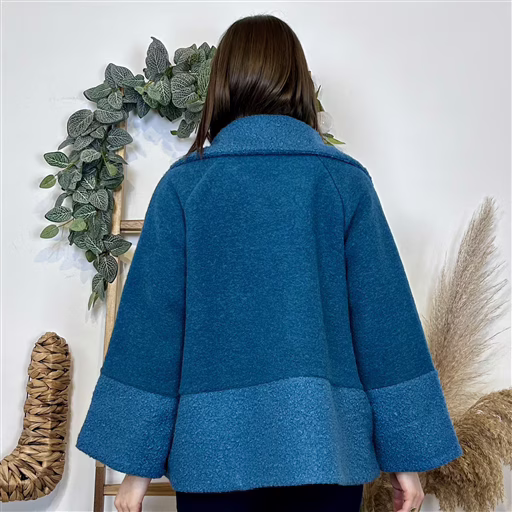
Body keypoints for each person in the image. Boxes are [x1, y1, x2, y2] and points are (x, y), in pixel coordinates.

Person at [76, 13, 463, 512]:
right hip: (325, 453)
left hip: (212, 460)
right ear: (298, 82)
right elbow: (384, 325)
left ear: (222, 84)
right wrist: (405, 459)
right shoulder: (342, 182)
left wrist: (135, 469)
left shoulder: (185, 187)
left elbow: (153, 330)